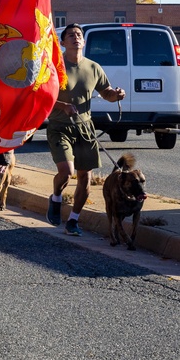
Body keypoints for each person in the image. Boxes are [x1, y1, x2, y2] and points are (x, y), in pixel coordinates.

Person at [46, 23, 126, 235]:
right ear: (62, 42)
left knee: (85, 177)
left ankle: (73, 220)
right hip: (59, 126)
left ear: (84, 40)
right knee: (66, 172)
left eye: (79, 34)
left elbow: (107, 92)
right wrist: (62, 106)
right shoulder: (54, 66)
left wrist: (117, 95)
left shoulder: (93, 67)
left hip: (85, 128)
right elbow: (41, 98)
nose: (76, 37)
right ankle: (55, 198)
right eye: (71, 35)